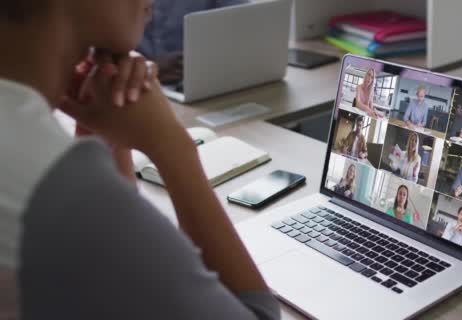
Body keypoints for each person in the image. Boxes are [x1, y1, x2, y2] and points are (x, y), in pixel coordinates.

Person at [0, 1, 278, 319]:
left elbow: (114, 273)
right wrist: (172, 147)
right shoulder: (57, 186)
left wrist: (107, 136)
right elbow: (258, 313)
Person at [138, 0, 249, 83]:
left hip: (198, 81)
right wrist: (148, 68)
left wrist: (198, 64)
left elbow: (238, 31)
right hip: (135, 82)